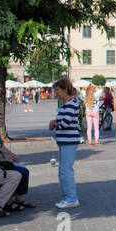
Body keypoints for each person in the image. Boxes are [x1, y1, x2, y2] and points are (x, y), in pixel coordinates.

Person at [48, 77, 82, 209]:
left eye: (57, 90)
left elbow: (65, 123)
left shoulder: (71, 104)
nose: (56, 93)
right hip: (64, 141)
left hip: (69, 141)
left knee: (66, 170)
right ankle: (66, 197)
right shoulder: (67, 105)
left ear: (65, 89)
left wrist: (55, 123)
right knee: (62, 170)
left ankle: (71, 198)